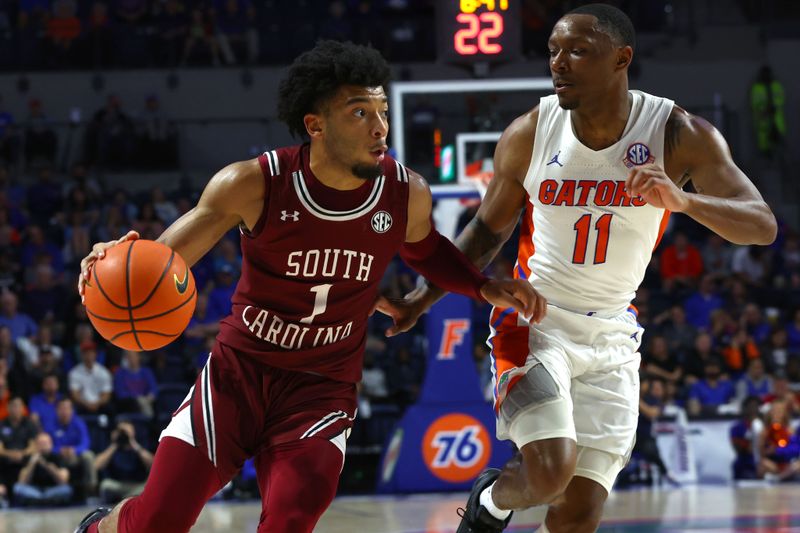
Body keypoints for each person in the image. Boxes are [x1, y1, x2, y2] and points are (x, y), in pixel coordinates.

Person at [74, 40, 540, 533]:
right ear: (315, 125)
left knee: (291, 519)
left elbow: (426, 251)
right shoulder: (253, 183)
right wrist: (120, 261)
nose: (380, 126)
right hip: (238, 376)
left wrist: (481, 286)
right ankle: (101, 527)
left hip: (321, 389)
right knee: (158, 522)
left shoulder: (407, 193)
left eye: (381, 110)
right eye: (359, 112)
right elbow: (164, 263)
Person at [383, 5, 777, 532]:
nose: (559, 63)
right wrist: (422, 297)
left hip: (614, 332)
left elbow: (761, 225)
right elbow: (485, 231)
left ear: (622, 58)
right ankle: (493, 502)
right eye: (553, 51)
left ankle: (500, 497)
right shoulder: (531, 131)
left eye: (577, 51)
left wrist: (684, 202)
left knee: (578, 514)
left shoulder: (677, 132)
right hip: (536, 319)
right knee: (549, 474)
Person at [94, 421, 154, 503]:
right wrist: (114, 444)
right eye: (122, 431)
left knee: (147, 487)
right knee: (105, 485)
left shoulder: (139, 444)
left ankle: (124, 500)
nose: (124, 434)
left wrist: (133, 444)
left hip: (136, 485)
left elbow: (153, 464)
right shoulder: (112, 445)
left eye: (126, 432)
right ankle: (128, 499)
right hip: (117, 484)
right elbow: (96, 465)